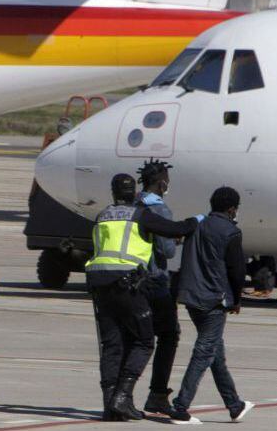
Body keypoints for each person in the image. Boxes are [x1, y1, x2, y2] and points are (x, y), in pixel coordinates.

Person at [85, 173, 200, 421]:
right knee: (144, 341)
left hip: (99, 284)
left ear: (113, 193)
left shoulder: (101, 216)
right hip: (128, 284)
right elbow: (174, 231)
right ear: (133, 192)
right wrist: (196, 221)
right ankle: (122, 397)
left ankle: (110, 405)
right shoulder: (141, 215)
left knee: (112, 345)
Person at [168, 187, 253, 425]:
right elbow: (237, 270)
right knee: (204, 351)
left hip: (191, 296)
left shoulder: (197, 225)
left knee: (216, 352)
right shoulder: (231, 232)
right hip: (214, 299)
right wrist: (236, 299)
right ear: (231, 209)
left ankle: (234, 405)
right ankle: (180, 406)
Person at [135, 159, 181, 414]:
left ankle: (121, 393)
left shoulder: (132, 204)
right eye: (167, 179)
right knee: (169, 335)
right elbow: (167, 250)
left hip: (132, 280)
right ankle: (158, 393)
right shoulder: (160, 210)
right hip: (155, 280)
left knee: (134, 338)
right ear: (161, 182)